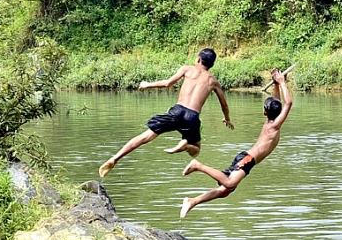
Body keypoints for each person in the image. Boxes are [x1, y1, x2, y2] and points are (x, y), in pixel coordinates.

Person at [98, 48, 234, 178]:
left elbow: (168, 83)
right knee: (196, 150)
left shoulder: (187, 69)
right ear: (212, 65)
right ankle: (186, 145)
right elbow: (224, 104)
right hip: (192, 116)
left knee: (145, 136)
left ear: (198, 59)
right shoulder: (213, 81)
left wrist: (147, 84)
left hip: (177, 110)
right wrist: (227, 118)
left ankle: (115, 158)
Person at [179, 67, 292, 218]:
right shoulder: (274, 125)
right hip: (247, 159)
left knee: (224, 191)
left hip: (247, 159)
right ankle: (198, 165)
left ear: (265, 112)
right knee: (229, 184)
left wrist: (276, 84)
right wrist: (282, 82)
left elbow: (278, 102)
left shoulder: (273, 122)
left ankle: (192, 201)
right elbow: (288, 103)